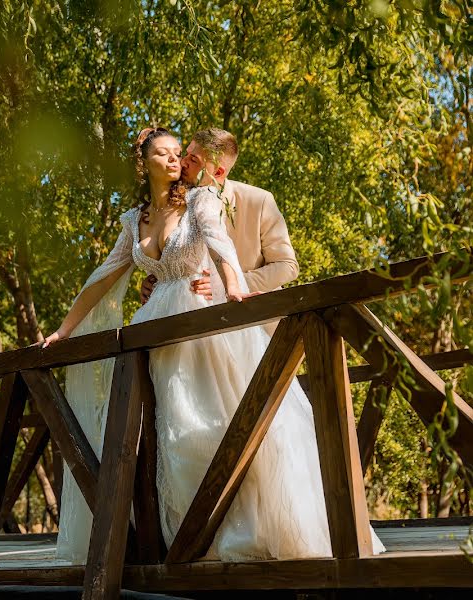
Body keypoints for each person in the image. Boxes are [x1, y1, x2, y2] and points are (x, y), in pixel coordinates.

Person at [42, 127, 383, 563]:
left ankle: (225, 536)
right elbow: (103, 277)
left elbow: (223, 247)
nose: (176, 161)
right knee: (155, 437)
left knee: (211, 428)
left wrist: (233, 291)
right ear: (144, 163)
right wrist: (65, 330)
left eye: (181, 155)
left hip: (204, 323)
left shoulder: (207, 200)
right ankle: (166, 541)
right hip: (153, 333)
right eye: (167, 154)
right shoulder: (134, 221)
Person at [140, 129, 298, 334]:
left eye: (194, 159)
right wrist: (157, 279)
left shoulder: (259, 201)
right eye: (186, 153)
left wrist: (228, 284)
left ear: (218, 173)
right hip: (193, 326)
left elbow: (287, 266)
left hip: (256, 327)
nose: (183, 162)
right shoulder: (176, 201)